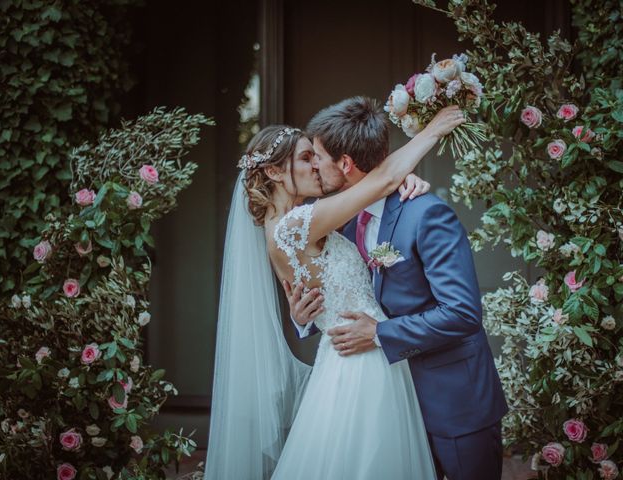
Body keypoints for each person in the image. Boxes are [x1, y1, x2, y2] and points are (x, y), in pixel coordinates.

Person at [205, 101, 465, 479]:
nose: (316, 166)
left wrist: (300, 317)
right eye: (306, 158)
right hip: (364, 361)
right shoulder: (298, 225)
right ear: (276, 171)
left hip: (342, 356)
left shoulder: (283, 227)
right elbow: (382, 181)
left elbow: (309, 301)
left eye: (316, 156)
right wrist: (432, 131)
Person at [287, 96, 508, 480]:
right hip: (390, 406)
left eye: (319, 156)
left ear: (345, 164)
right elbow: (347, 288)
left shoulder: (426, 214)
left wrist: (379, 333)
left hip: (452, 401)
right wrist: (304, 317)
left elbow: (462, 313)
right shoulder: (343, 219)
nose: (315, 166)